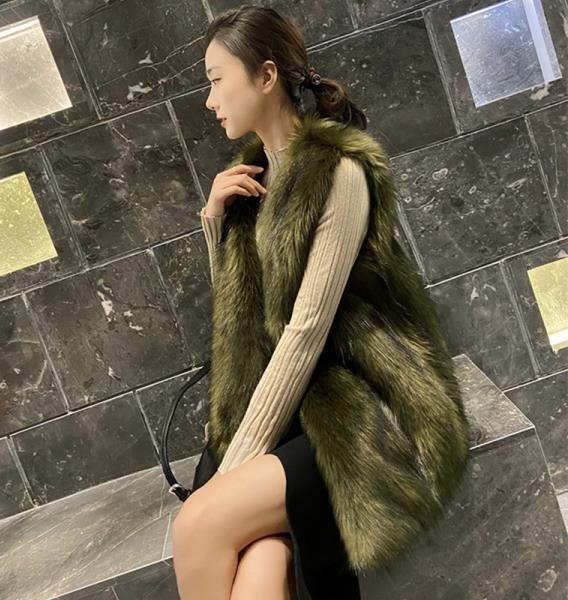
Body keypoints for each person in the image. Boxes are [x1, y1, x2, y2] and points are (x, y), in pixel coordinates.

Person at [172, 5, 471, 600]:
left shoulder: (338, 173)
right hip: (288, 407)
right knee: (260, 559)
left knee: (197, 526)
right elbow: (242, 320)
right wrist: (215, 221)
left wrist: (235, 466)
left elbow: (306, 331)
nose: (210, 100)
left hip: (357, 403)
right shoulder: (250, 179)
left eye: (216, 80)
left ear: (266, 76)